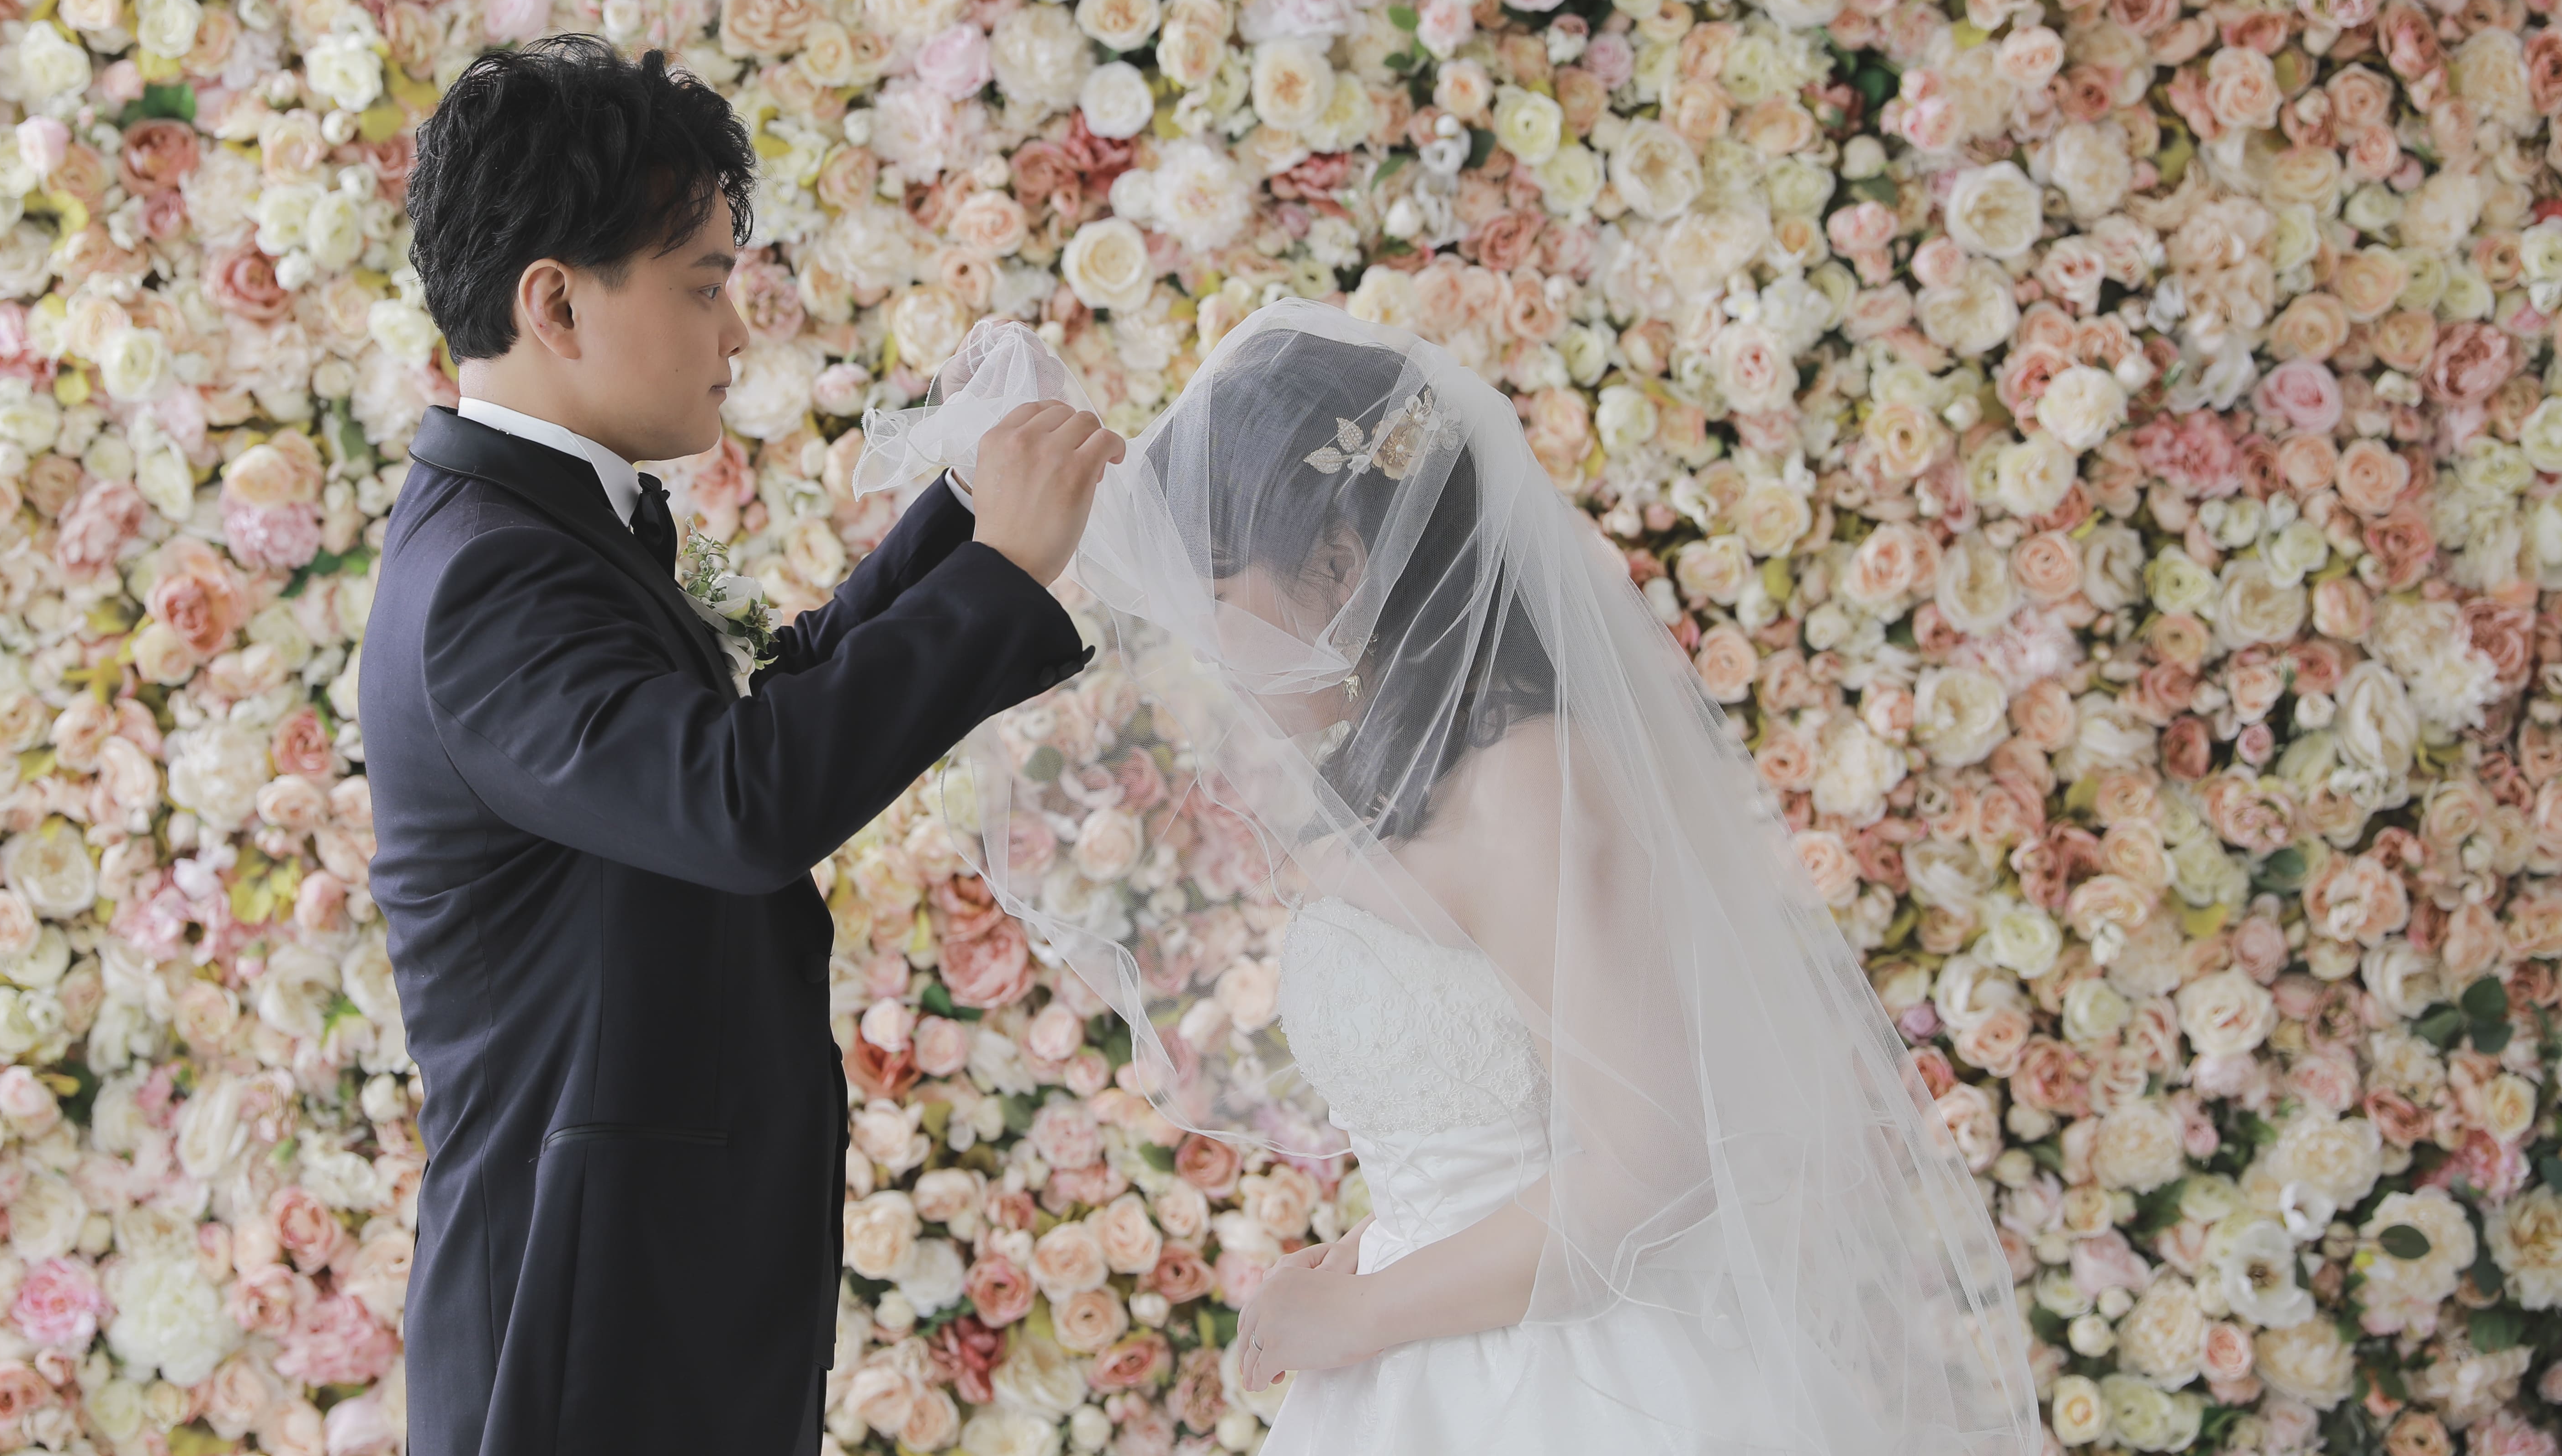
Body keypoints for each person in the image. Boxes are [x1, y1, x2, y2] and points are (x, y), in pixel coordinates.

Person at [870, 304, 2042, 1456]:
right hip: (1442, 1340)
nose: (1207, 648)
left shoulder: (1530, 778)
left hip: (1575, 1380)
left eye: (1216, 599)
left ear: (1341, 563)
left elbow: (1654, 1162)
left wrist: (1362, 1312)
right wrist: (1375, 1256)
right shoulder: (1419, 781)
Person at [355, 37, 1124, 1456]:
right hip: (579, 1332)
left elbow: (741, 725)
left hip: (640, 1296)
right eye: (704, 287)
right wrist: (999, 575)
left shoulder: (537, 531)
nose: (735, 337)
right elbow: (739, 802)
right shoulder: (490, 579)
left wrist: (969, 515)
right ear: (554, 303)